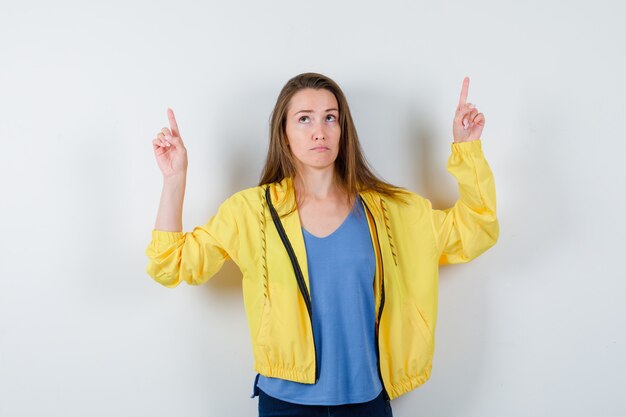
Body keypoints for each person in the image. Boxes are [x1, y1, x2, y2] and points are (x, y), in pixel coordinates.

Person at [145, 72, 499, 417]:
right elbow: (170, 265)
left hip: (368, 402)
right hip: (285, 403)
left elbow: (476, 228)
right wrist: (175, 179)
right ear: (283, 134)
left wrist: (467, 149)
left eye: (331, 118)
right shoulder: (251, 212)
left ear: (343, 131)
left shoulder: (393, 212)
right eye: (304, 119)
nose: (319, 131)